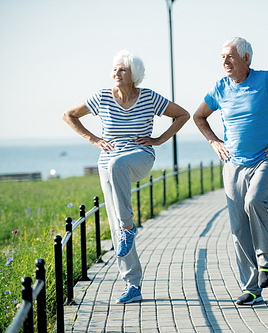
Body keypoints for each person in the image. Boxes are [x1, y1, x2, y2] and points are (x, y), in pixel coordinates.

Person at [62, 50, 190, 304]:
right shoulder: (102, 98)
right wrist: (94, 139)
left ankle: (129, 227)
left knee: (119, 168)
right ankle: (133, 284)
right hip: (107, 164)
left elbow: (182, 114)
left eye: (122, 69)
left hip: (140, 156)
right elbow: (69, 115)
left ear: (135, 74)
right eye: (114, 69)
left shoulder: (149, 98)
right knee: (116, 223)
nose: (116, 73)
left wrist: (159, 140)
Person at [193, 37, 268, 306]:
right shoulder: (220, 88)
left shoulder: (265, 80)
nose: (225, 62)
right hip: (233, 163)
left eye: (230, 56)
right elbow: (198, 116)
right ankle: (252, 288)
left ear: (246, 59)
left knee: (254, 201)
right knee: (238, 227)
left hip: (265, 159)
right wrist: (214, 142)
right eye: (222, 57)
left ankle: (267, 259)